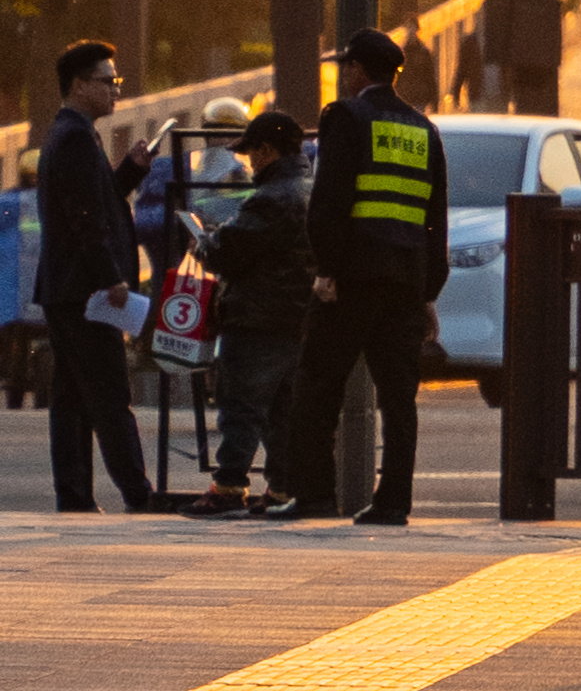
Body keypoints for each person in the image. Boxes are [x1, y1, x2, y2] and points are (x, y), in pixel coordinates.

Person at [268, 31, 445, 526]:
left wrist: (326, 268)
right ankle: (393, 503)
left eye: (346, 67)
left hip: (352, 277)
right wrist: (429, 291)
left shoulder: (345, 117)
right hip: (406, 282)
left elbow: (329, 201)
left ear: (357, 71)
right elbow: (435, 218)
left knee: (318, 383)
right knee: (397, 396)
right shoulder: (423, 129)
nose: (344, 75)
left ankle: (314, 494)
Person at [35, 35, 156, 513]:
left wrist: (130, 171)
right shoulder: (75, 138)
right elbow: (86, 217)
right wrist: (111, 277)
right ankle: (138, 494)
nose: (116, 91)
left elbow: (98, 197)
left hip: (66, 289)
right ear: (80, 85)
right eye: (108, 82)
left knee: (71, 399)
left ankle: (76, 497)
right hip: (87, 293)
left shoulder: (71, 135)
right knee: (109, 394)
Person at [184, 109, 316, 511]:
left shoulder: (272, 198)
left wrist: (203, 243)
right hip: (299, 317)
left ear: (267, 149)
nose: (248, 162)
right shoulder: (310, 188)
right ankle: (280, 488)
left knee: (242, 405)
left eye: (251, 153)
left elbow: (230, 251)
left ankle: (228, 487)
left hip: (259, 317)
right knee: (283, 411)